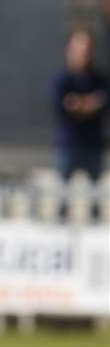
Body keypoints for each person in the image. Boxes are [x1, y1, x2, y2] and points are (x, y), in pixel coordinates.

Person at [51, 28, 107, 223]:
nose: (83, 51)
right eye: (79, 46)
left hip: (93, 144)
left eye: (87, 47)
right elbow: (62, 106)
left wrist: (79, 105)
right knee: (63, 198)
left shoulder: (100, 79)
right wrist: (88, 105)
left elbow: (102, 104)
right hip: (69, 144)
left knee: (95, 199)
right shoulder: (62, 79)